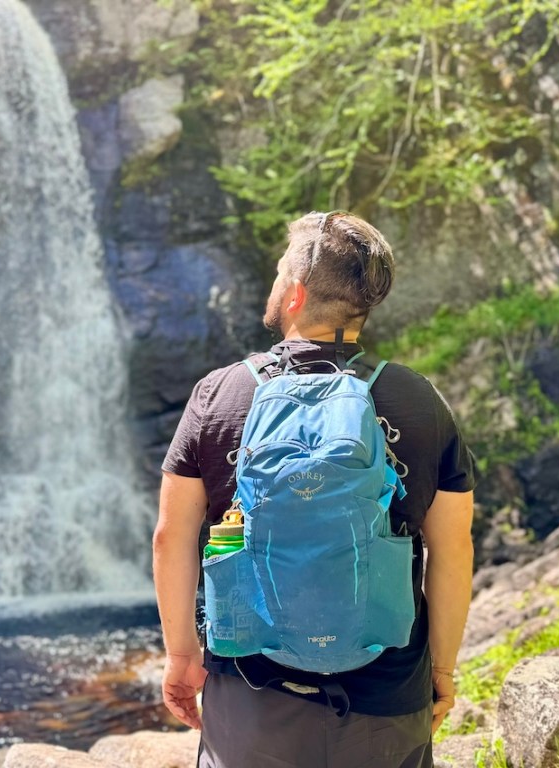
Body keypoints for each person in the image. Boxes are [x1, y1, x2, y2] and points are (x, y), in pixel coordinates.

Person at [153, 211, 476, 768]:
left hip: (252, 692)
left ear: (296, 294)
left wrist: (183, 655)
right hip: (387, 695)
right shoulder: (419, 400)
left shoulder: (219, 394)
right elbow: (452, 550)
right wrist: (441, 670)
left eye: (281, 272)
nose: (275, 282)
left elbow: (170, 538)